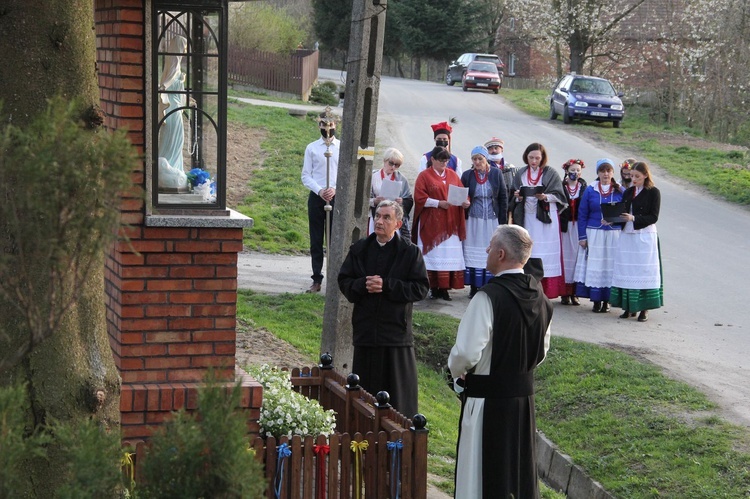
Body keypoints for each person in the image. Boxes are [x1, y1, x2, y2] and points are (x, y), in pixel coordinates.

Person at [448, 224, 552, 499]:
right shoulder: (540, 298)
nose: (487, 250)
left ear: (501, 254)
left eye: (491, 245)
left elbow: (466, 353)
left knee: (479, 477)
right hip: (523, 401)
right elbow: (541, 351)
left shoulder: (487, 298)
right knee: (518, 473)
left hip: (487, 401)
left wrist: (457, 373)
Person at [338, 200, 430, 418]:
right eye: (377, 216)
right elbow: (344, 281)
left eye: (386, 217)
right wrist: (362, 285)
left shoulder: (409, 253)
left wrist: (387, 285)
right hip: (366, 333)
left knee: (397, 400)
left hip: (395, 336)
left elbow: (420, 288)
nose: (379, 221)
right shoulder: (360, 249)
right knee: (365, 397)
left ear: (398, 223)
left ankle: (398, 441)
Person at [510, 143, 568, 299]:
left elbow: (561, 196)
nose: (534, 161)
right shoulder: (520, 173)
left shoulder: (550, 173)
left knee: (545, 253)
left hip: (546, 219)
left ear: (542, 158)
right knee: (529, 250)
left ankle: (548, 290)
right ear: (526, 157)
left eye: (537, 158)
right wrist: (518, 196)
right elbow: (512, 195)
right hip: (527, 217)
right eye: (531, 157)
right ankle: (529, 287)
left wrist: (546, 197)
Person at [412, 146, 470, 301]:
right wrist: (438, 203)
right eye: (441, 160)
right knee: (433, 255)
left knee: (448, 255)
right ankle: (433, 287)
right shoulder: (424, 176)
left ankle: (444, 289)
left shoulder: (452, 175)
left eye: (446, 161)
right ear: (432, 160)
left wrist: (465, 202)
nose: (444, 163)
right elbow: (419, 197)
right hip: (432, 222)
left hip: (451, 223)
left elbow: (462, 192)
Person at [611, 161, 663, 322]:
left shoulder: (653, 192)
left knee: (643, 270)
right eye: (632, 176)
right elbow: (622, 212)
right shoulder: (628, 192)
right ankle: (628, 307)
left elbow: (654, 216)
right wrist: (612, 219)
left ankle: (644, 309)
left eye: (637, 176)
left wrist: (634, 218)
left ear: (646, 175)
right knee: (627, 269)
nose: (633, 179)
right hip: (627, 234)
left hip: (644, 235)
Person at [573, 159, 623, 313]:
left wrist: (616, 222)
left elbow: (626, 212)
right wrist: (582, 237)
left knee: (609, 266)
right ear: (598, 173)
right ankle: (596, 300)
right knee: (596, 266)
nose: (606, 174)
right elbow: (582, 214)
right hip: (594, 232)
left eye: (608, 171)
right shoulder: (591, 190)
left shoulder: (619, 190)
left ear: (613, 173)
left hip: (613, 234)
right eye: (602, 170)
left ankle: (607, 300)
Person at [461, 145, 508, 298]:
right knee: (473, 249)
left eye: (480, 158)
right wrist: (465, 202)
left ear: (486, 158)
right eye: (474, 159)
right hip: (474, 219)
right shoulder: (467, 175)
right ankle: (474, 286)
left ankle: (490, 285)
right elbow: (462, 194)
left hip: (491, 219)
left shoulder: (496, 173)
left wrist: (503, 221)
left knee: (490, 249)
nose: (477, 162)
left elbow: (502, 196)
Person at [301, 111, 339, 293]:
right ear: (319, 127)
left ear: (335, 126)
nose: (327, 130)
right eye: (323, 126)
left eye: (330, 126)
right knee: (316, 240)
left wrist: (334, 189)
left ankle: (334, 279)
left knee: (334, 239)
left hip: (336, 196)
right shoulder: (312, 148)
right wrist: (320, 190)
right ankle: (317, 279)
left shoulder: (342, 147)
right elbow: (306, 175)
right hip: (317, 197)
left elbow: (345, 174)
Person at [158, 35, 189, 191]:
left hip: (177, 108)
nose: (184, 53)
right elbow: (165, 85)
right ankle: (167, 167)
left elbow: (179, 91)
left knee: (177, 141)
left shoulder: (174, 67)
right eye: (183, 49)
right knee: (173, 140)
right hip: (172, 110)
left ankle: (175, 168)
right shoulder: (173, 68)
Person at [369, 147, 414, 241]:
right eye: (391, 163)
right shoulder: (373, 177)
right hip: (376, 216)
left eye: (397, 165)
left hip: (393, 218)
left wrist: (402, 201)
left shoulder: (401, 179)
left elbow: (409, 200)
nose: (393, 167)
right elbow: (362, 199)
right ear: (385, 161)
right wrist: (374, 201)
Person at [559, 159, 587, 305]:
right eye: (572, 170)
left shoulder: (584, 187)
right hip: (565, 227)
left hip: (579, 227)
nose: (575, 172)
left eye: (577, 170)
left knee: (577, 257)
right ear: (567, 171)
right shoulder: (561, 186)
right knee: (565, 258)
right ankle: (564, 292)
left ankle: (575, 292)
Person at [485, 136, 517, 220]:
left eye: (496, 148)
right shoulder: (485, 168)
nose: (494, 151)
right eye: (491, 149)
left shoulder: (510, 167)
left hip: (507, 203)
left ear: (502, 150)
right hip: (492, 204)